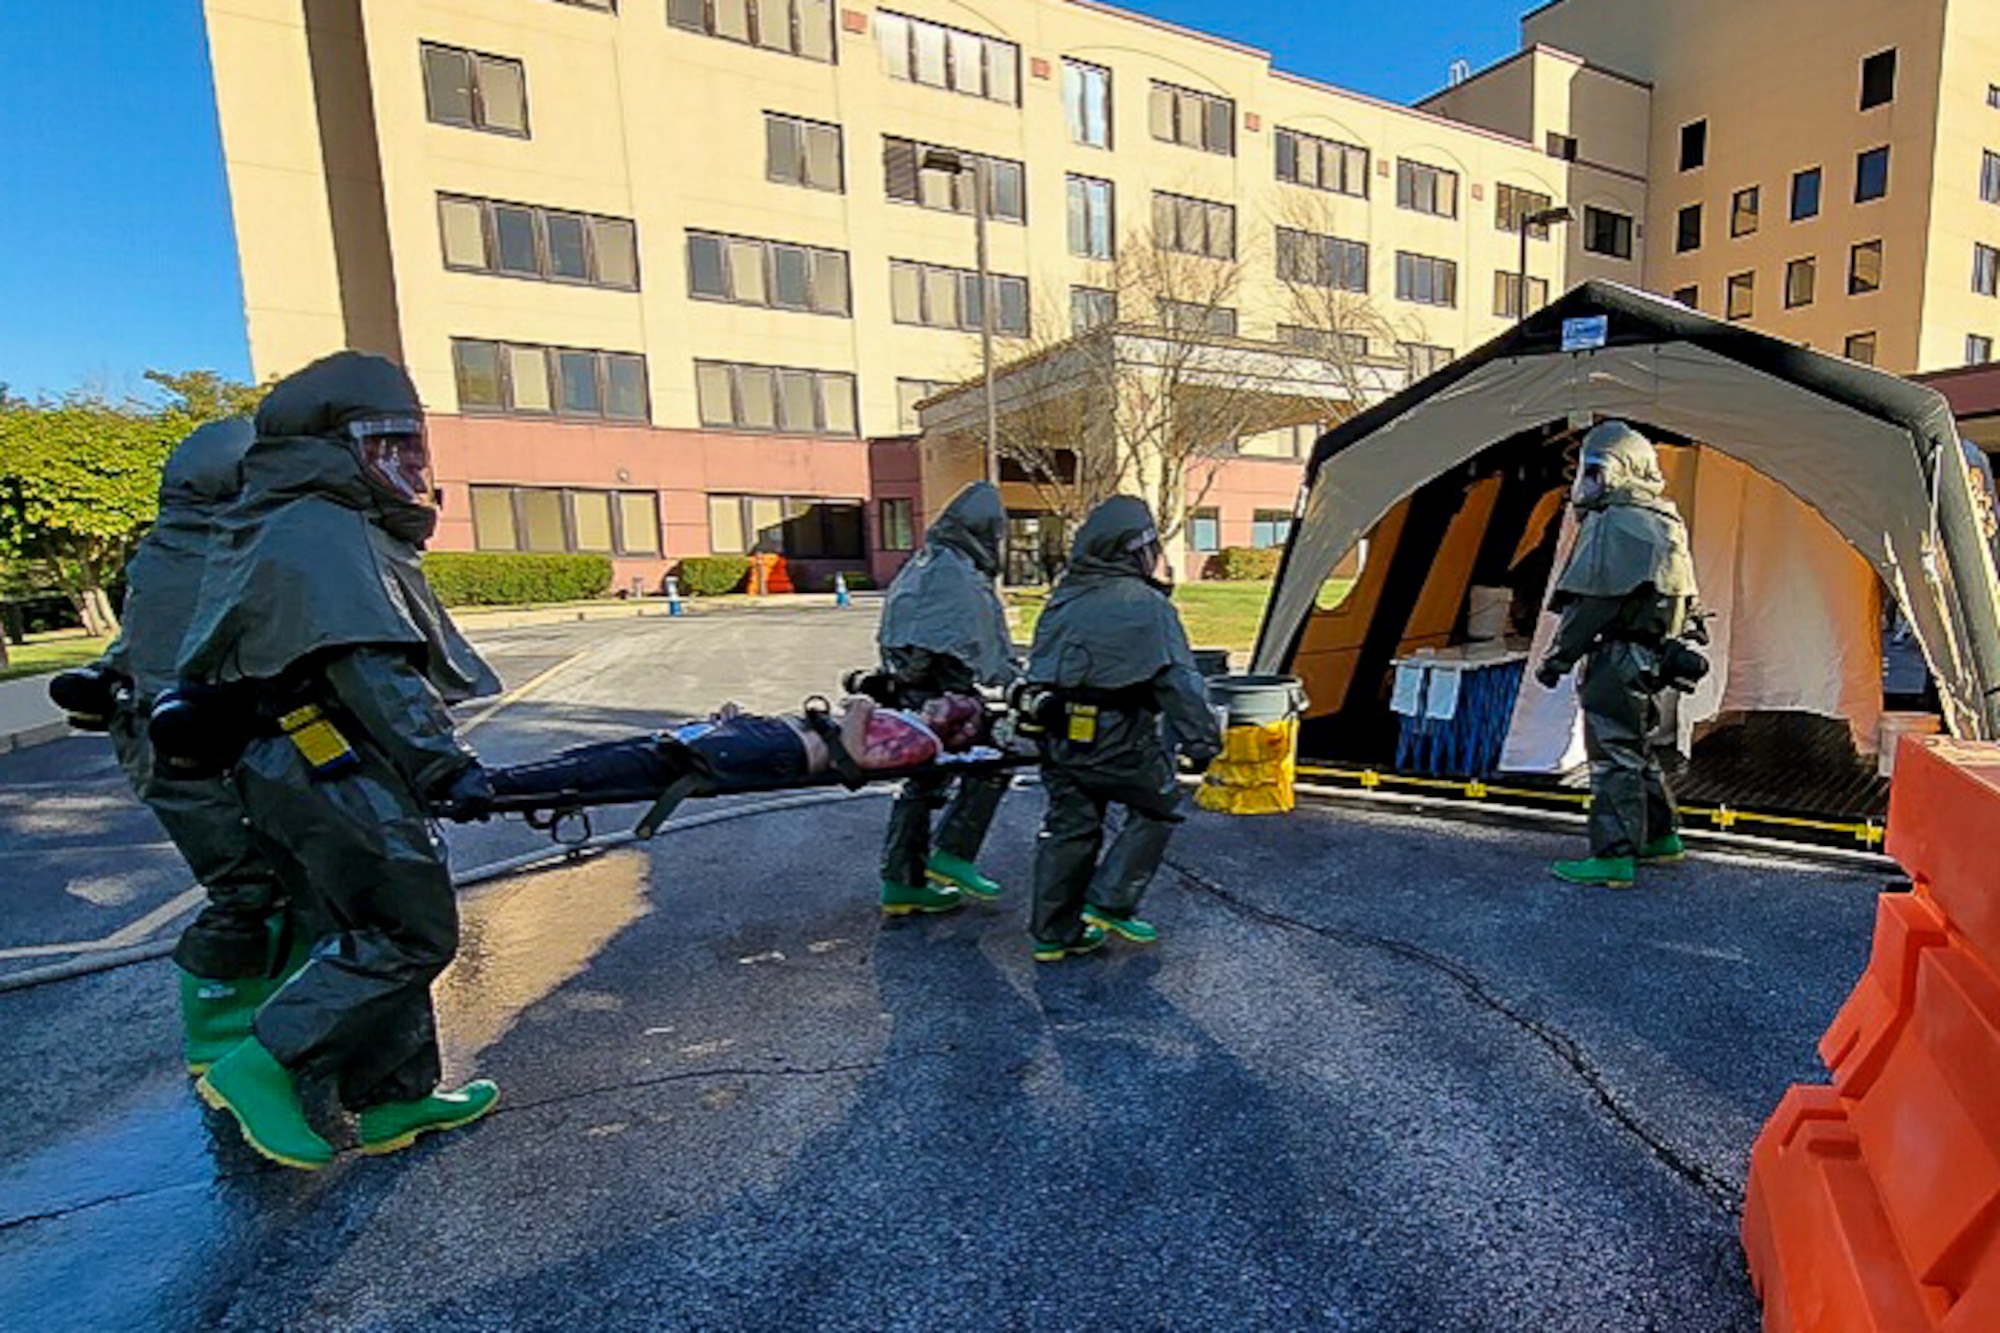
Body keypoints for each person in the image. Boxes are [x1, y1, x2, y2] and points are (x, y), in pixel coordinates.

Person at [168, 351, 502, 1170]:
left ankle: (394, 1096)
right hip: (327, 760)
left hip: (294, 762)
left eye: (411, 446)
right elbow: (370, 664)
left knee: (366, 928)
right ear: (330, 446)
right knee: (410, 930)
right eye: (387, 446)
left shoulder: (287, 519)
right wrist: (441, 766)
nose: (408, 466)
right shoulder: (320, 527)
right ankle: (261, 1063)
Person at [47, 419, 309, 1076]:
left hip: (172, 738)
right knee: (249, 886)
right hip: (195, 748)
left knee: (282, 878)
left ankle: (278, 1015)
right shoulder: (220, 554)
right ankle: (220, 1032)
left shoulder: (175, 549)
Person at [1022, 496, 1221, 961]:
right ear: (1134, 550)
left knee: (1069, 826)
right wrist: (1203, 740)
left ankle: (1052, 933)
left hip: (1058, 733)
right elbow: (1176, 680)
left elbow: (1040, 669)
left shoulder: (1064, 598)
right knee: (1158, 805)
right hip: (1121, 735)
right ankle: (1110, 898)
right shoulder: (1147, 606)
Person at [1533, 420, 1700, 889]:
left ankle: (1613, 855)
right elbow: (1683, 596)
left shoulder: (1612, 523)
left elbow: (1594, 604)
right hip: (1651, 656)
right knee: (1637, 751)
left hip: (1617, 656)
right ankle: (1660, 837)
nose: (1584, 483)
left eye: (1593, 470)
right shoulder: (1664, 519)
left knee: (1611, 757)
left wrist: (1558, 658)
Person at [873, 481, 1021, 916]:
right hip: (943, 697)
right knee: (995, 759)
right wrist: (1013, 682)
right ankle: (953, 852)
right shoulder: (957, 574)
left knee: (922, 782)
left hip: (911, 692)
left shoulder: (923, 564)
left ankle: (901, 881)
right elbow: (978, 648)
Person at [475, 693, 993, 812]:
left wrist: (858, 709)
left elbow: (857, 763)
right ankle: (497, 778)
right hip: (769, 737)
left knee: (621, 767)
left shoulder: (922, 742)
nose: (938, 698)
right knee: (616, 752)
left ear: (956, 728)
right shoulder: (913, 724)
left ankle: (493, 786)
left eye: (950, 703)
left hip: (781, 751)